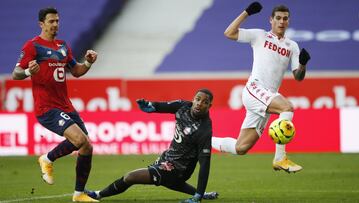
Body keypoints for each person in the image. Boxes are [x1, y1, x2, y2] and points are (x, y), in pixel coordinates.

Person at [212, 2, 311, 173]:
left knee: (240, 148)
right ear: (270, 20)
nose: (281, 22)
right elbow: (229, 33)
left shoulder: (292, 46)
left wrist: (302, 64)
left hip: (268, 96)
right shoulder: (260, 35)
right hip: (254, 89)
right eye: (278, 18)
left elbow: (298, 77)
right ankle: (280, 158)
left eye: (285, 19)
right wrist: (247, 12)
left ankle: (203, 139)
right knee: (287, 108)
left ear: (288, 21)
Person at [12, 7, 98, 202]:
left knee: (87, 147)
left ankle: (78, 194)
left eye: (57, 21)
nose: (55, 25)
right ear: (41, 24)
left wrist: (88, 63)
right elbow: (15, 73)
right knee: (81, 141)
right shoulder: (33, 46)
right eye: (51, 21)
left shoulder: (63, 46)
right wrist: (28, 72)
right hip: (47, 108)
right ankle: (48, 159)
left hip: (66, 105)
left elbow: (75, 71)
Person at [85, 89, 218, 203]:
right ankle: (204, 194)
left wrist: (197, 197)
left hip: (178, 170)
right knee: (172, 183)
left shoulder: (204, 130)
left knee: (130, 177)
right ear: (193, 99)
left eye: (205, 102)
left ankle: (98, 195)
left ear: (209, 106)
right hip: (167, 158)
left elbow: (205, 164)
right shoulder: (183, 106)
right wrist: (151, 106)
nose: (199, 103)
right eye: (197, 99)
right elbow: (162, 106)